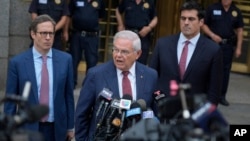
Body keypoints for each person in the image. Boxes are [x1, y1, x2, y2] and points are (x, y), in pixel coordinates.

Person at [75, 30, 158, 140]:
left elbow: (154, 113)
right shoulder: (96, 75)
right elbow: (81, 114)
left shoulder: (150, 75)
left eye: (124, 52)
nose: (118, 55)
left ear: (137, 54)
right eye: (115, 50)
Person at [4, 15, 75, 141]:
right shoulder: (18, 63)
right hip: (28, 129)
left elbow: (68, 96)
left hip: (57, 128)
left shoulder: (66, 60)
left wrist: (70, 127)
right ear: (33, 34)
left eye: (51, 33)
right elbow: (11, 102)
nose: (48, 38)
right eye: (43, 33)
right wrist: (8, 130)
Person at [150, 0, 223, 105]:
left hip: (195, 113)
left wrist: (204, 115)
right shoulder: (162, 44)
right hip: (163, 110)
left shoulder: (213, 50)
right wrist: (160, 101)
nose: (186, 22)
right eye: (183, 18)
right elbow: (152, 79)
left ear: (201, 22)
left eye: (191, 19)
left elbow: (214, 91)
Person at [202, 0, 244, 106]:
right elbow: (203, 25)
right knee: (209, 69)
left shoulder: (236, 11)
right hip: (212, 44)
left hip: (227, 46)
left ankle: (221, 96)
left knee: (225, 72)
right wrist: (212, 35)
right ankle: (207, 94)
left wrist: (238, 47)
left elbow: (240, 30)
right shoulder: (212, 8)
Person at [65, 0, 105, 87]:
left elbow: (100, 17)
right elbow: (68, 15)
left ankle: (88, 85)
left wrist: (89, 22)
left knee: (92, 61)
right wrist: (65, 31)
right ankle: (72, 83)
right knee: (74, 60)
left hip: (92, 36)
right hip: (77, 34)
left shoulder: (100, 1)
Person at [116, 0, 158, 65]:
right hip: (128, 35)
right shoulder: (126, 1)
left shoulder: (150, 2)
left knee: (141, 60)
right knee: (126, 58)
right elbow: (118, 11)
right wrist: (120, 24)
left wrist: (149, 28)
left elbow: (155, 18)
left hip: (143, 36)